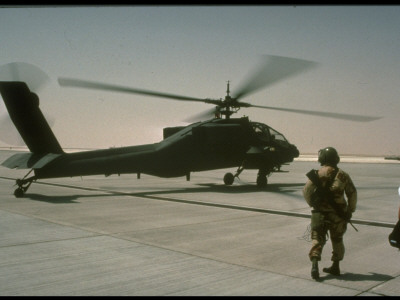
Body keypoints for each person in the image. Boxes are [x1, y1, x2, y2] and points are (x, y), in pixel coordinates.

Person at [303, 147, 357, 280]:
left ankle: (314, 264)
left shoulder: (317, 174)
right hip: (339, 215)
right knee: (337, 239)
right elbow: (352, 193)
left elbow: (306, 191)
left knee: (317, 238)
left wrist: (313, 203)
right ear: (336, 159)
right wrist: (350, 210)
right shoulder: (343, 175)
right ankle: (336, 266)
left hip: (320, 213)